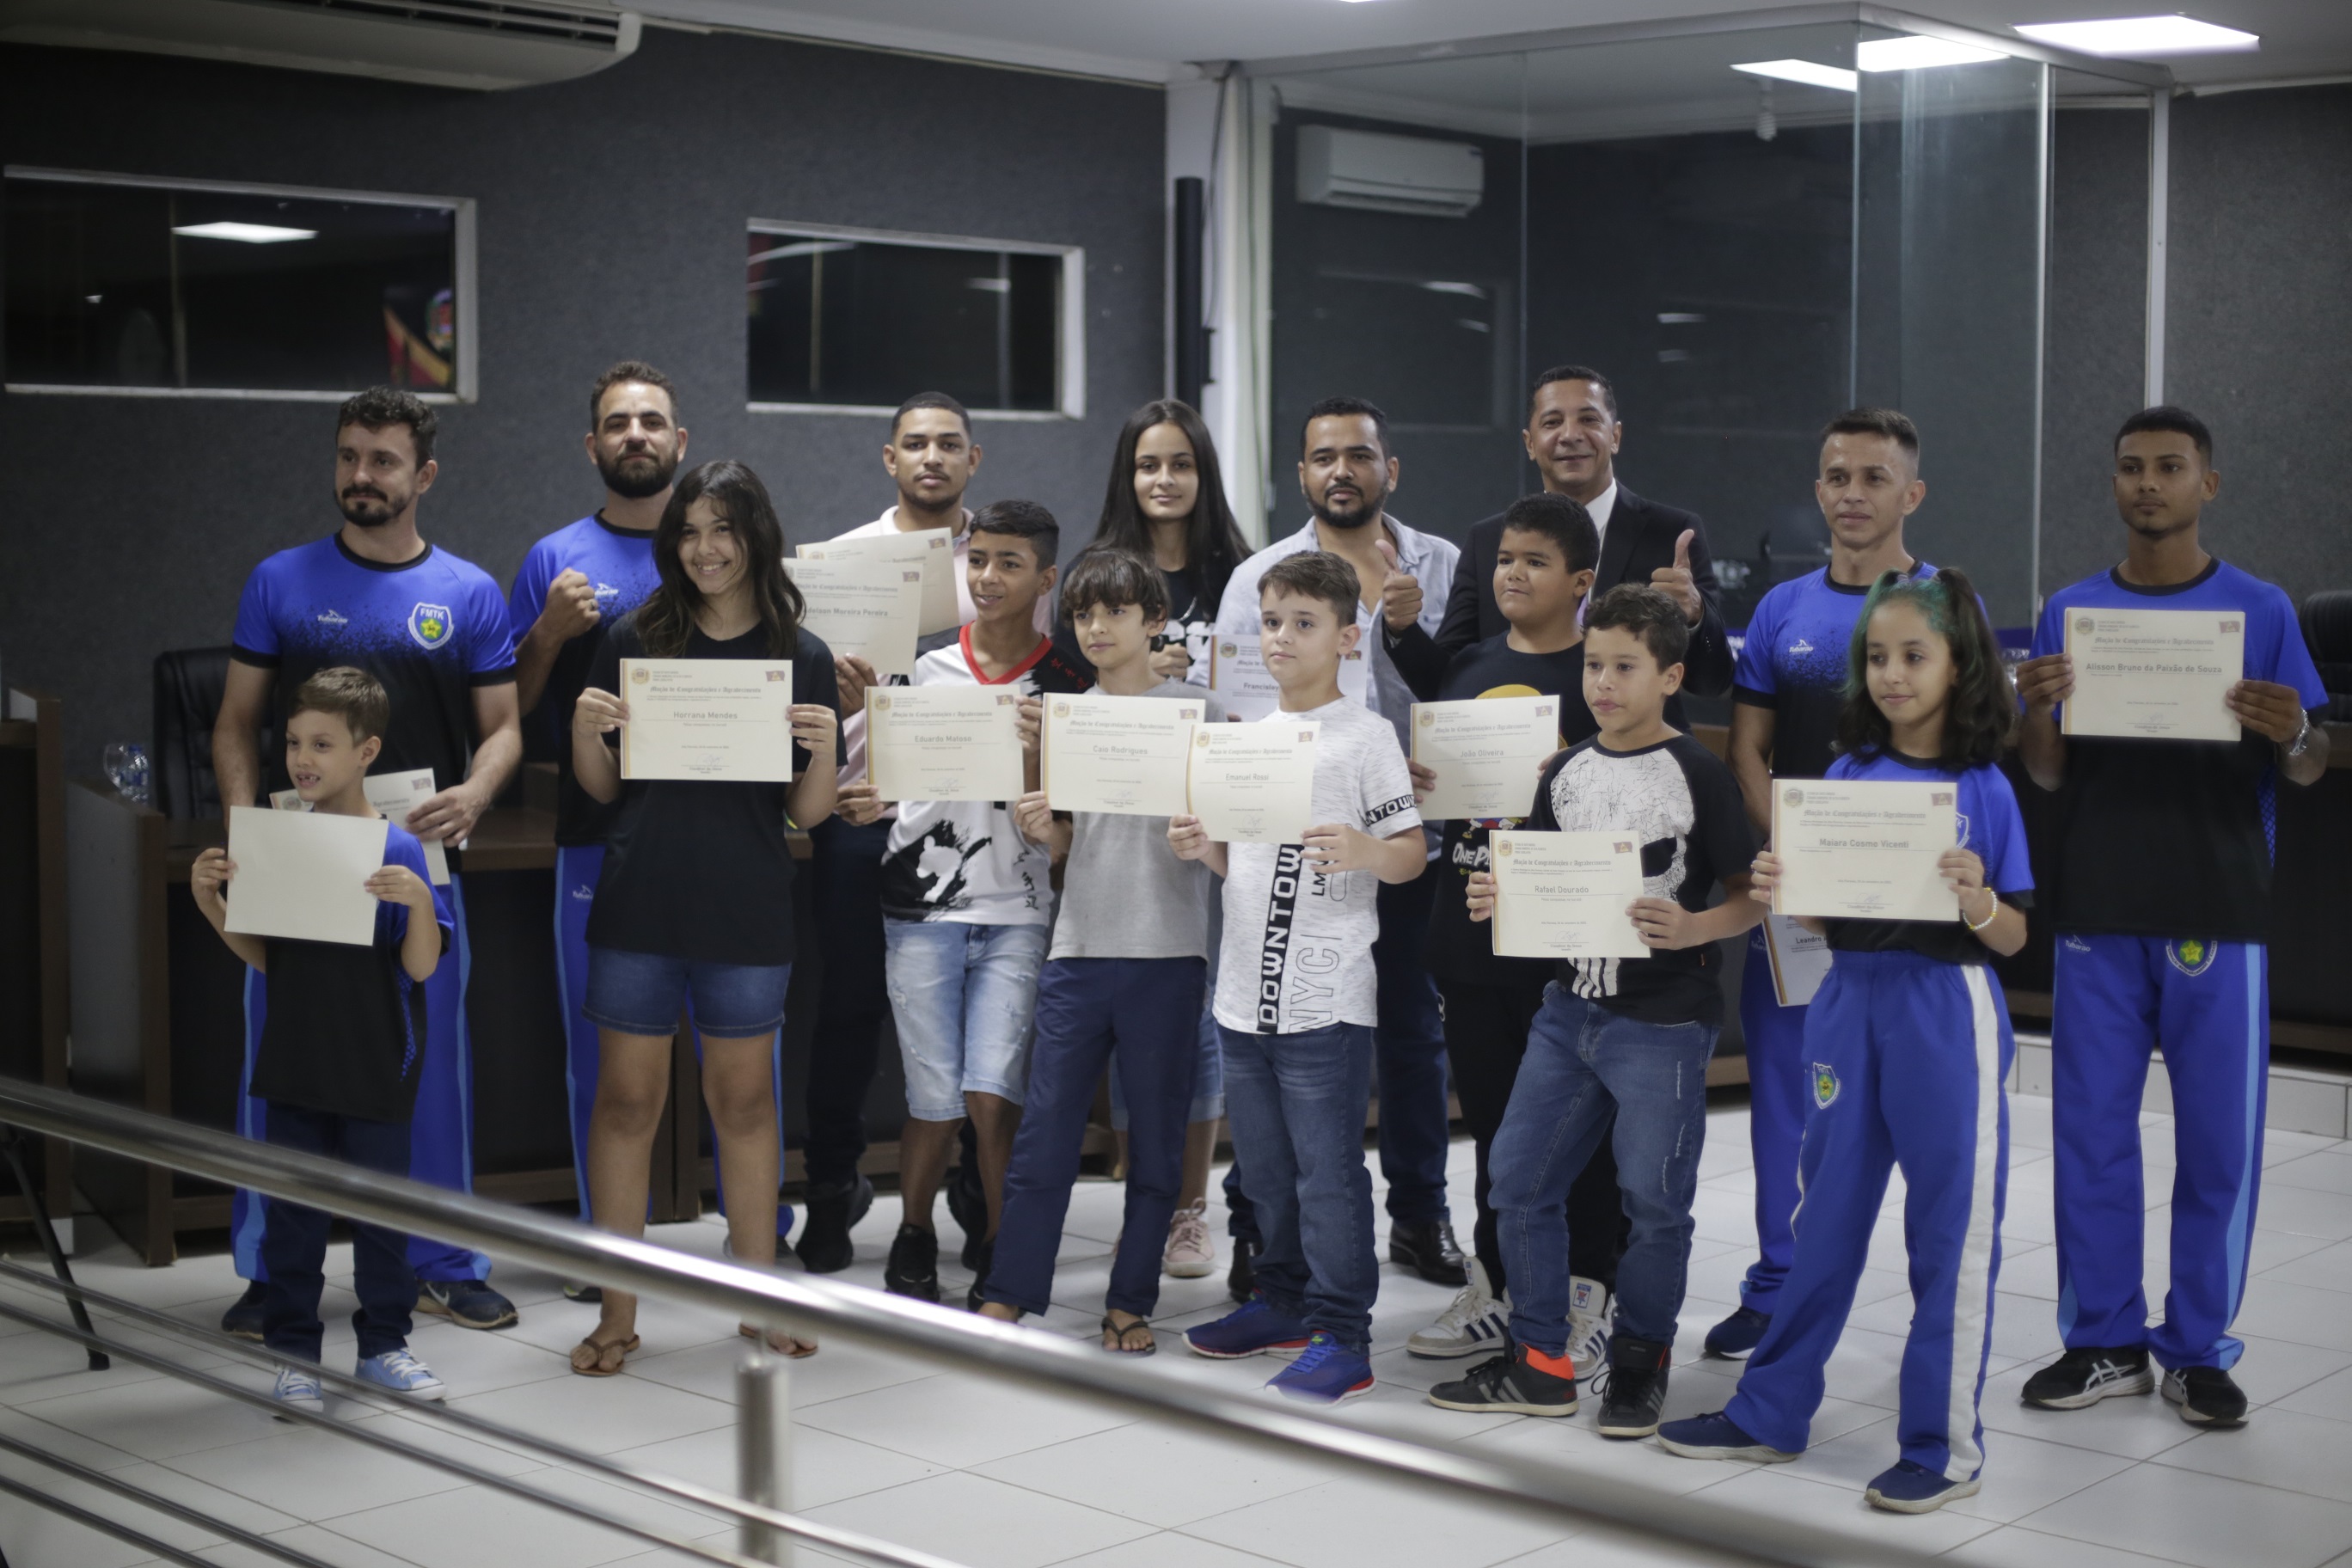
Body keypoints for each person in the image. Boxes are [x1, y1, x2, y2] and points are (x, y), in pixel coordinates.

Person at [1661, 568, 2030, 1516]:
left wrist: (1976, 898)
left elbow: (2017, 936)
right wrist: (1797, 886)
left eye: (1915, 655)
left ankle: (1941, 1447)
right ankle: (1770, 1411)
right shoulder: (1846, 775)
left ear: (1960, 667)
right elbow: (1826, 918)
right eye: (1877, 657)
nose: (1893, 675)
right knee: (1821, 1214)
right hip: (1844, 1001)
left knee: (1947, 1230)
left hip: (1945, 1010)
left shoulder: (1985, 785)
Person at [2012, 406, 2328, 1429]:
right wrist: (2036, 712)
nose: (2148, 484)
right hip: (2099, 909)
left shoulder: (2263, 606)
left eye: (2170, 468)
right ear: (2113, 484)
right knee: (2091, 1136)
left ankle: (2197, 1349)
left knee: (2217, 1143)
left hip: (2217, 911)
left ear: (2209, 485)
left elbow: (2312, 761)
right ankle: (2103, 1339)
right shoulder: (2071, 607)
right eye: (2131, 468)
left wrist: (2297, 733)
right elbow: (2050, 772)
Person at [213, 388, 522, 1338]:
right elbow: (234, 723)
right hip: (296, 869)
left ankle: (440, 1259)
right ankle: (272, 1269)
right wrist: (247, 837)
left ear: (422, 475)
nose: (362, 477)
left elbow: (504, 729)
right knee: (281, 1071)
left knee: (427, 1072)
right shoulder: (280, 580)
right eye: (350, 457)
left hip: (410, 872)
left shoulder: (467, 592)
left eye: (383, 461)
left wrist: (476, 794)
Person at [1431, 585, 1760, 1439]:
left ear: (1671, 674)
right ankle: (1541, 1359)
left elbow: (1749, 897)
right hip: (1567, 1012)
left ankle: (1641, 1362)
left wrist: (1694, 925)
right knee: (1519, 1181)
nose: (1604, 683)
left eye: (1625, 667)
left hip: (1664, 1022)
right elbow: (1543, 889)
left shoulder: (1700, 772)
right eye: (1593, 665)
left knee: (1652, 1204)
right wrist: (1496, 896)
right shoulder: (1567, 772)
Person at [565, 460, 839, 1375]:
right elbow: (602, 790)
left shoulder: (799, 653)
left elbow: (809, 813)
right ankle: (616, 1315)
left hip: (747, 904)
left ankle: (758, 1302)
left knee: (747, 1104)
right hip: (642, 898)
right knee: (625, 1104)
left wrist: (825, 749)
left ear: (755, 534)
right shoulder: (634, 635)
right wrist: (581, 733)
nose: (704, 548)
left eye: (722, 529)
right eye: (687, 531)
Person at [1206, 396, 1466, 1289]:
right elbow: (1237, 701)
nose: (1341, 470)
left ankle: (1420, 1214)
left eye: (1360, 454)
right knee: (1276, 1029)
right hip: (1289, 846)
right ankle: (1262, 1226)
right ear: (1303, 472)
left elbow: (1466, 690)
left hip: (1405, 834)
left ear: (1389, 468)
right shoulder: (1260, 576)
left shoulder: (1441, 563)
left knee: (1409, 1035)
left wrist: (1446, 756)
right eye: (1324, 457)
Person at [1711, 406, 1939, 1362]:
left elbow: (1969, 755)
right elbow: (1750, 750)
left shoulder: (1944, 603)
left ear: (1910, 494)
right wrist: (1793, 851)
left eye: (1873, 478)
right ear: (1819, 491)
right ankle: (1777, 1283)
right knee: (1785, 1094)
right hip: (1799, 903)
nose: (1852, 495)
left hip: (1911, 907)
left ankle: (1933, 1305)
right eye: (1837, 476)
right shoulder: (1782, 609)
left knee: (1920, 1106)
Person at [801, 391, 1044, 1274]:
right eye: (915, 444)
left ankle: (976, 1199)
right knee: (850, 1014)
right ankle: (830, 1196)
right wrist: (830, 693)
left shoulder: (999, 559)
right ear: (888, 458)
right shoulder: (844, 564)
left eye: (949, 444)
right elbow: (799, 699)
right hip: (863, 815)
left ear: (973, 460)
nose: (932, 457)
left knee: (976, 1035)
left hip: (973, 829)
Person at [1177, 550, 1428, 1404]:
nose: (1282, 638)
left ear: (1348, 637)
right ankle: (1280, 1300)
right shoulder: (1246, 741)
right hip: (1243, 997)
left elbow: (1412, 855)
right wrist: (1203, 848)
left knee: (1328, 1175)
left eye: (1304, 623)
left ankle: (1341, 1332)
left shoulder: (1368, 739)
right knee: (1265, 1174)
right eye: (1273, 621)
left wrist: (1368, 851)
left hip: (1327, 1002)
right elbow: (1242, 862)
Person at [836, 500, 1090, 1308]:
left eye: (1010, 563)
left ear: (1045, 579)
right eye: (977, 559)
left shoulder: (1070, 683)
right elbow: (871, 787)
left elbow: (1085, 821)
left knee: (992, 1096)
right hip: (919, 913)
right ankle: (914, 1230)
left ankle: (998, 1246)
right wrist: (865, 797)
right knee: (934, 1097)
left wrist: (1041, 759)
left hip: (1018, 913)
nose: (987, 577)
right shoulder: (923, 671)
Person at [189, 667, 456, 1412]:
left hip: (378, 1062)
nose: (303, 759)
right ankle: (295, 1353)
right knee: (295, 1222)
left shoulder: (398, 849)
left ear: (367, 751)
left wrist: (420, 907)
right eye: (295, 743)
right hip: (297, 1063)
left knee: (380, 1217)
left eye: (323, 745)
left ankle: (385, 1346)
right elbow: (267, 956)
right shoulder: (279, 842)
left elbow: (422, 967)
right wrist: (212, 904)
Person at [978, 549, 1223, 1351]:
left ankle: (1130, 1301)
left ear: (1155, 621)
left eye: (1115, 612)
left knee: (1155, 1143)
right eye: (1083, 614)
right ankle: (1012, 1290)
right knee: (1046, 1133)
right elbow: (1063, 844)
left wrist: (1209, 837)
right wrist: (1042, 827)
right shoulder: (1062, 714)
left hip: (1170, 950)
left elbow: (1237, 832)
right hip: (1077, 950)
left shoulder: (1203, 712)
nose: (1096, 628)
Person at [506, 362, 707, 1302]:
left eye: (652, 422)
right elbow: (502, 714)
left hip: (717, 836)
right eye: (617, 423)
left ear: (680, 443)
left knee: (739, 1053)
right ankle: (607, 1246)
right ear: (593, 446)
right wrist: (545, 634)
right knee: (601, 1054)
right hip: (596, 836)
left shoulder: (717, 552)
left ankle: (757, 1234)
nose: (636, 435)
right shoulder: (555, 558)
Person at [1403, 493, 1612, 1366]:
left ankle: (1589, 1292)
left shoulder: (1602, 675)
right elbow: (1452, 798)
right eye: (1504, 560)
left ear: (1582, 581)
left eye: (1534, 561)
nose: (1513, 574)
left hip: (1564, 945)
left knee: (1577, 1130)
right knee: (1491, 1122)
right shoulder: (1468, 665)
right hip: (1468, 932)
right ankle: (1494, 1283)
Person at [1060, 398, 1255, 1284]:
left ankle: (1187, 1208)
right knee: (1143, 1013)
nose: (1164, 480)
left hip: (1218, 824)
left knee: (1206, 1020)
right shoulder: (1104, 576)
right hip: (1122, 837)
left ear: (1202, 474)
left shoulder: (1244, 579)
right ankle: (1147, 1195)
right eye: (1148, 464)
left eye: (1180, 463)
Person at [1407, 364, 1734, 728]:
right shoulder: (1489, 540)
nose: (1570, 435)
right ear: (1530, 443)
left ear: (1616, 436)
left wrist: (1694, 616)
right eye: (1551, 423)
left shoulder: (1672, 534)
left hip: (1634, 762)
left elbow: (1711, 682)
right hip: (1510, 763)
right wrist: (1401, 630)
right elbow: (1449, 679)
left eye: (1589, 420)